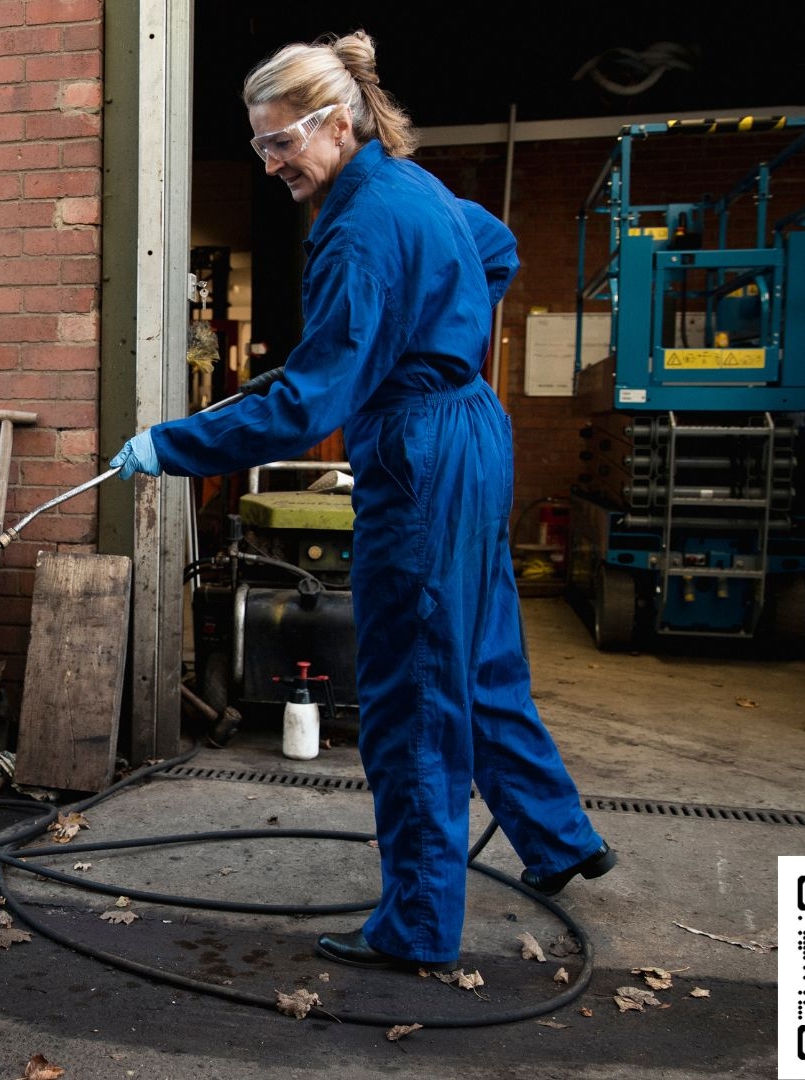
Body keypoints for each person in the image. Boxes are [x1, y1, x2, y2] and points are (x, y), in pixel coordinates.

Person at [109, 29, 616, 971]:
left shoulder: (356, 230)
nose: (269, 165)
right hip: (471, 429)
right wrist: (441, 321)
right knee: (481, 655)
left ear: (334, 123)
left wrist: (168, 446)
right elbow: (493, 250)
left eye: (279, 144)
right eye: (259, 145)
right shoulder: (408, 183)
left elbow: (307, 403)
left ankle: (419, 927)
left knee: (413, 689)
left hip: (421, 450)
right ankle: (559, 839)